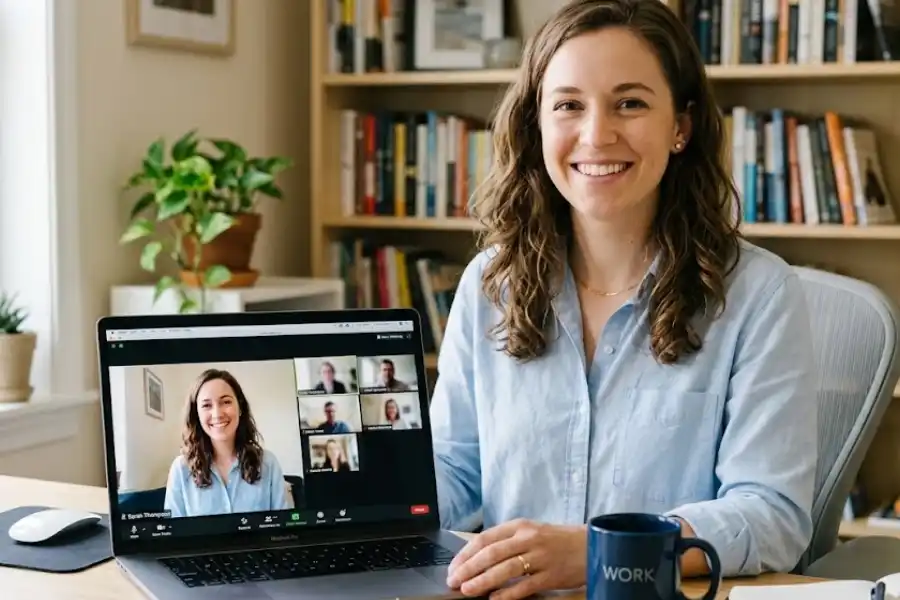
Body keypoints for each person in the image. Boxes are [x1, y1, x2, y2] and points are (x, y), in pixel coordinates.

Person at [430, 2, 818, 599]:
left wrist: (597, 553)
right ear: (536, 125)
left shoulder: (758, 295)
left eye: (630, 103)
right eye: (568, 105)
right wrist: (351, 506)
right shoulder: (490, 284)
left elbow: (771, 514)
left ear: (681, 126)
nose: (596, 134)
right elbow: (455, 472)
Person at [164, 369, 290, 518]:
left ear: (240, 407)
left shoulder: (268, 463)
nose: (217, 414)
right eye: (206, 405)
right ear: (196, 414)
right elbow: (174, 536)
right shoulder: (180, 470)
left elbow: (286, 528)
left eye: (226, 402)